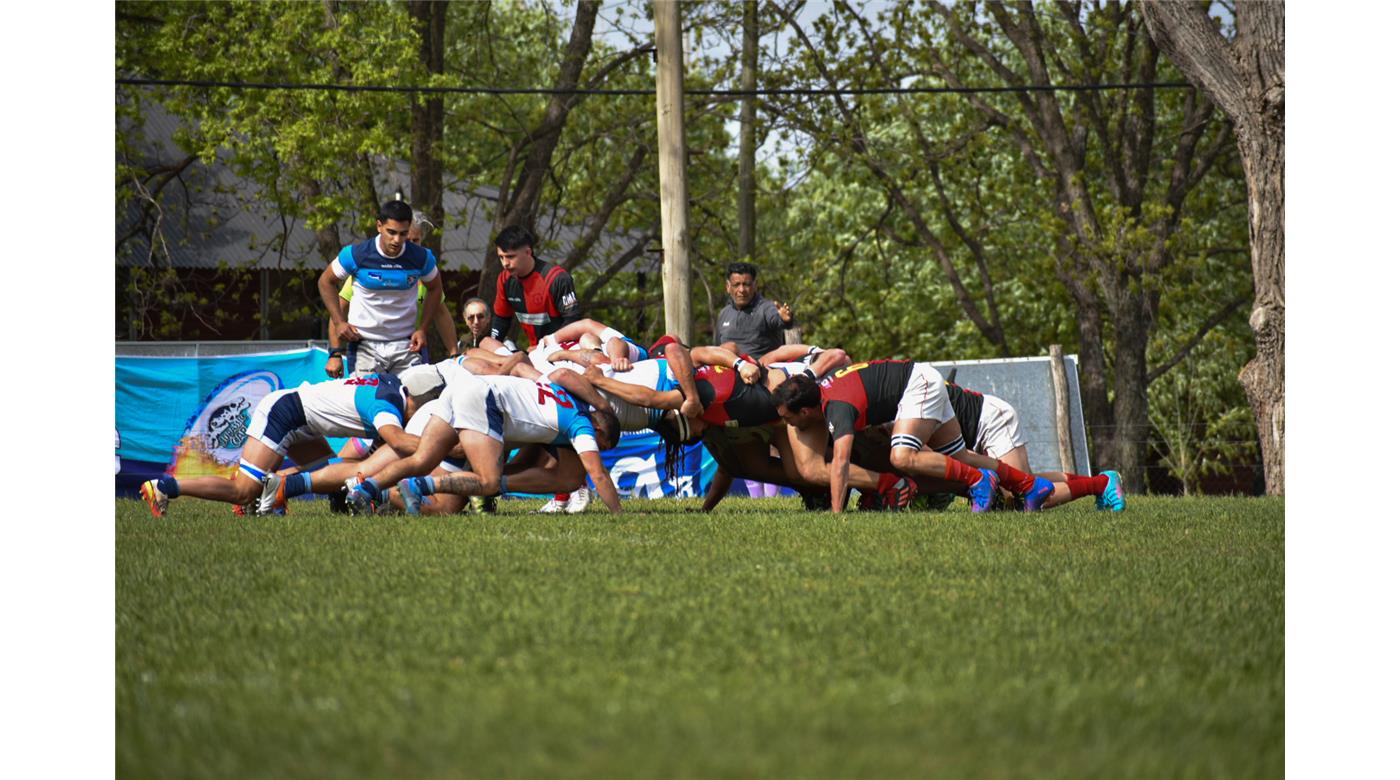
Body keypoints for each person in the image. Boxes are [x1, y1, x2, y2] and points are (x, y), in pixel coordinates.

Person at [772, 361, 1057, 514]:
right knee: (961, 458)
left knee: (902, 456)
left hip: (919, 385)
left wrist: (836, 516)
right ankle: (1058, 484)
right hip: (922, 378)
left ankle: (978, 479)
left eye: (789, 418)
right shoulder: (827, 394)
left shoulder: (837, 408)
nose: (789, 425)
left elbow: (841, 464)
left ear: (807, 411)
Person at [138, 373, 422, 517]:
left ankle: (269, 494)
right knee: (242, 489)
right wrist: (440, 444)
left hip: (301, 416)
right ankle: (164, 487)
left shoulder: (389, 384)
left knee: (331, 469)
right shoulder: (389, 405)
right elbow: (397, 441)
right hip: (285, 414)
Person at [345, 371, 624, 515]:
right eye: (602, 444)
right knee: (487, 482)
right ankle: (419, 486)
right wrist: (618, 515)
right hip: (482, 398)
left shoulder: (564, 400)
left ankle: (366, 490)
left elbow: (558, 375)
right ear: (598, 428)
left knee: (422, 459)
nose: (597, 449)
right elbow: (597, 474)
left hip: (463, 388)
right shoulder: (582, 423)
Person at [318, 200, 447, 378]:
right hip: (365, 346)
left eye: (403, 234)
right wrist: (339, 327)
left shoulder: (421, 257)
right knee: (370, 401)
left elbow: (435, 288)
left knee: (414, 401)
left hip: (406, 345)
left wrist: (423, 328)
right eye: (391, 232)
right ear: (379, 226)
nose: (397, 240)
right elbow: (325, 282)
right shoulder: (356, 254)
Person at [489, 226, 582, 350]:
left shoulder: (557, 278)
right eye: (501, 257)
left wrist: (544, 346)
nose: (505, 263)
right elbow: (501, 319)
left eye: (510, 257)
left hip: (563, 349)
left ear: (528, 252)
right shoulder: (504, 279)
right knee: (486, 343)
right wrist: (493, 346)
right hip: (534, 350)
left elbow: (573, 321)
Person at [714, 261, 795, 361]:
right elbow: (717, 349)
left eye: (746, 284)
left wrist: (785, 320)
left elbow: (777, 319)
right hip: (727, 370)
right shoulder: (724, 314)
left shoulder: (766, 307)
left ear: (755, 285)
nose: (742, 289)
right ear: (728, 287)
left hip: (762, 371)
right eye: (736, 285)